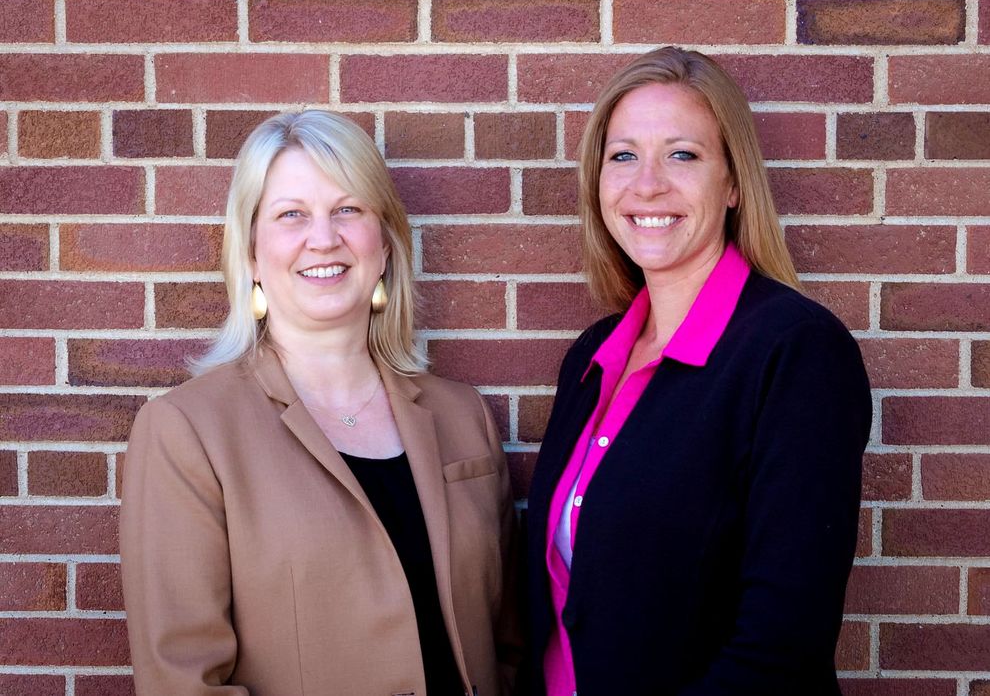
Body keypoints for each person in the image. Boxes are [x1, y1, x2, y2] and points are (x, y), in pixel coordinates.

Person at [120, 110, 519, 696]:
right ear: (252, 253)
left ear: (384, 245)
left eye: (349, 209)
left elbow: (508, 644)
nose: (324, 238)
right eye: (291, 215)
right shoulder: (188, 430)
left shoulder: (465, 417)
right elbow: (182, 680)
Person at [524, 47, 872, 695]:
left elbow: (783, 639)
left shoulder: (795, 354)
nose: (647, 184)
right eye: (623, 156)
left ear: (733, 182)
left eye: (682, 154)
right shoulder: (593, 358)